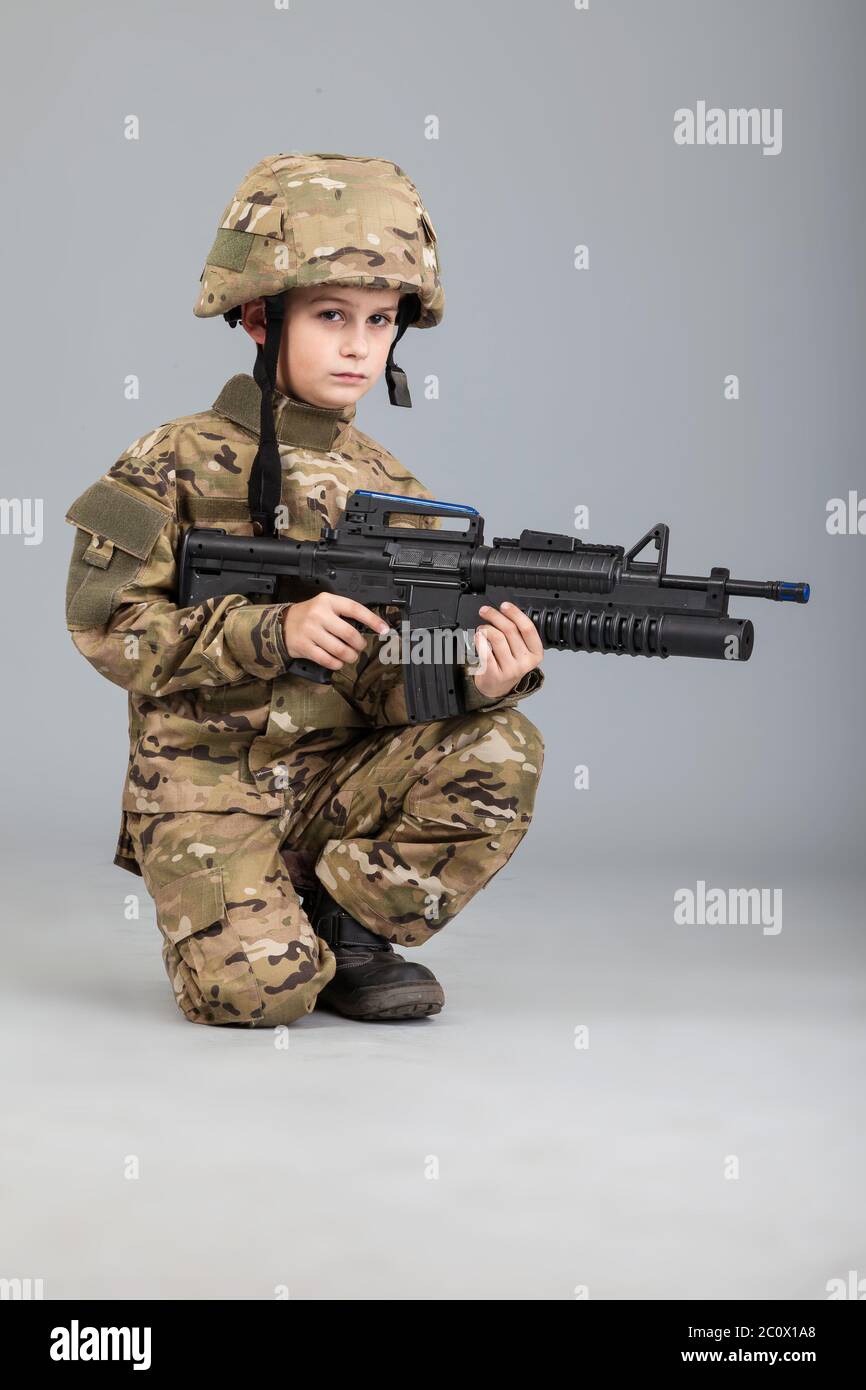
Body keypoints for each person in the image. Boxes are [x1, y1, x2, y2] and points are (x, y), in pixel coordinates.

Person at [64, 151, 546, 1027]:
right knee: (259, 998)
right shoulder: (169, 461)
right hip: (208, 786)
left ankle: (347, 923)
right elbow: (106, 626)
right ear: (257, 314)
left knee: (500, 744)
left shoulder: (394, 489)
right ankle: (269, 925)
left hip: (334, 781)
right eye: (331, 315)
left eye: (382, 319)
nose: (361, 344)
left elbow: (383, 677)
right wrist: (271, 634)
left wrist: (470, 677)